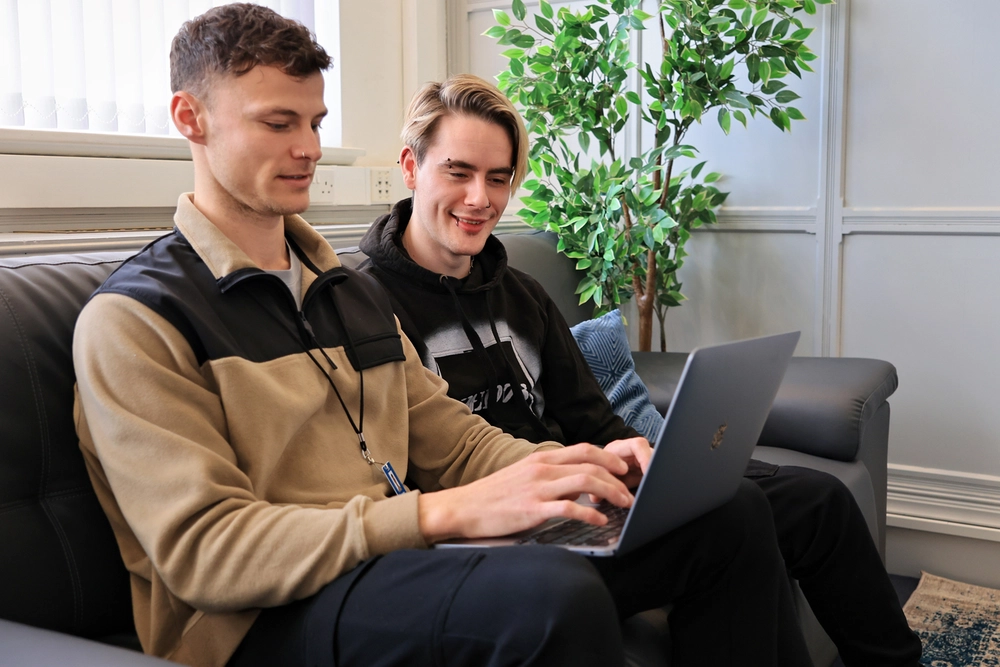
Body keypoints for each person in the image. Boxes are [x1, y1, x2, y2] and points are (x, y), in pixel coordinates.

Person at [72, 5, 814, 667]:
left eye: (315, 123)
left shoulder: (340, 292)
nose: (308, 148)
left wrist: (575, 466)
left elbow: (455, 442)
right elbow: (208, 552)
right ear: (189, 118)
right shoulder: (136, 319)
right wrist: (439, 514)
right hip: (256, 619)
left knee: (728, 516)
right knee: (551, 596)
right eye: (277, 122)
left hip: (392, 557)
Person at [357, 74, 925, 667]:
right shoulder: (362, 306)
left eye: (498, 178)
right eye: (458, 171)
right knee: (735, 520)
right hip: (499, 535)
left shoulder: (519, 293)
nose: (481, 198)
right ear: (410, 167)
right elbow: (397, 474)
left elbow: (589, 416)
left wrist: (642, 461)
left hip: (584, 498)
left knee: (817, 500)